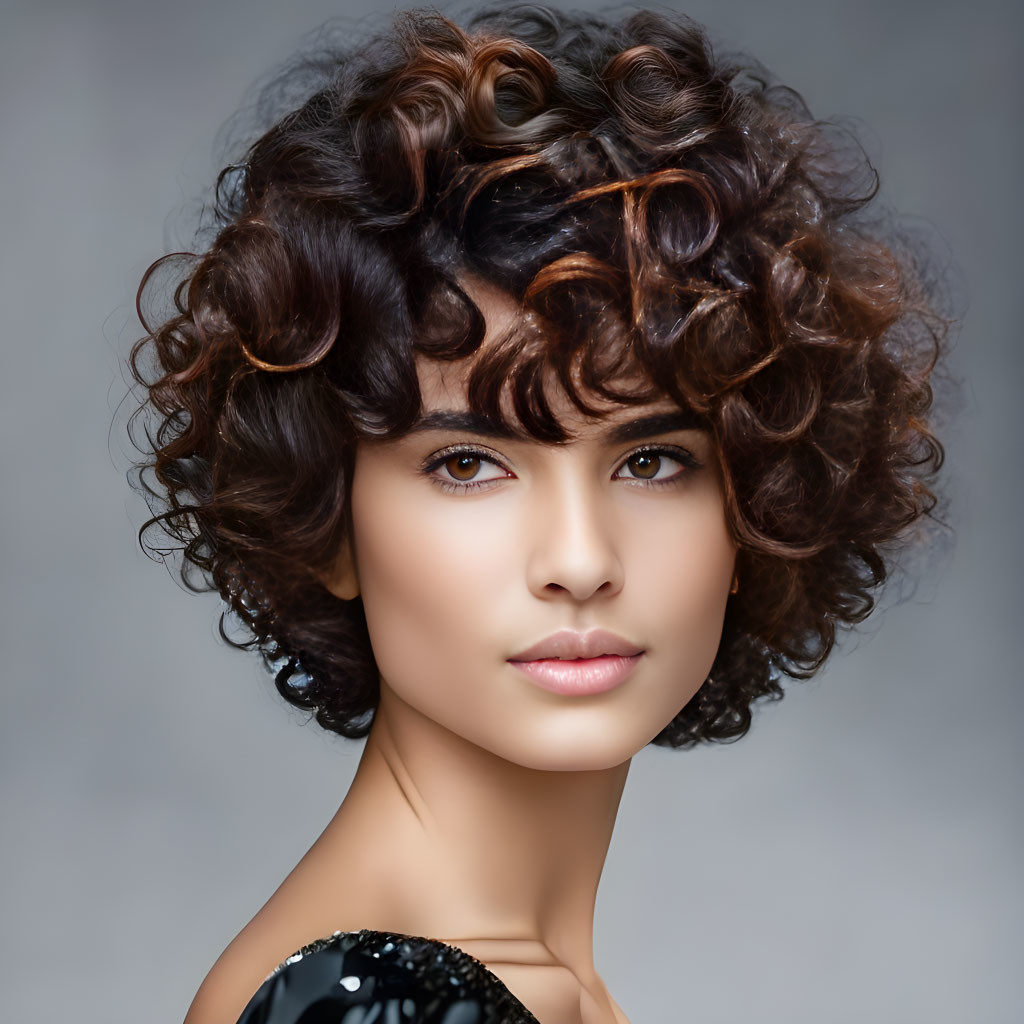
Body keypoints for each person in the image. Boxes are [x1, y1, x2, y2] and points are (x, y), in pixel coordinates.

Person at [127, 4, 949, 1022]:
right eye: (468, 463)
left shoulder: (519, 982)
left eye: (651, 459)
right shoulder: (377, 1003)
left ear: (755, 507)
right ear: (326, 520)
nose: (578, 558)